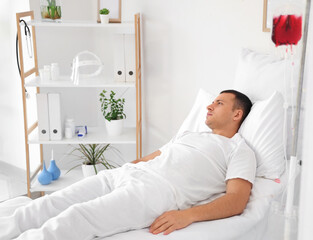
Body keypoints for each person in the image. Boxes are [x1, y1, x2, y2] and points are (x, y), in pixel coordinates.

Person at [0, 89, 255, 240]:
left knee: (76, 217)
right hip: (126, 174)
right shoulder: (191, 135)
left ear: (236, 114)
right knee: (50, 202)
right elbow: (153, 156)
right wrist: (123, 169)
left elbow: (236, 200)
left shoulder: (239, 150)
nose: (210, 105)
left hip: (154, 192)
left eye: (219, 103)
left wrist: (187, 215)